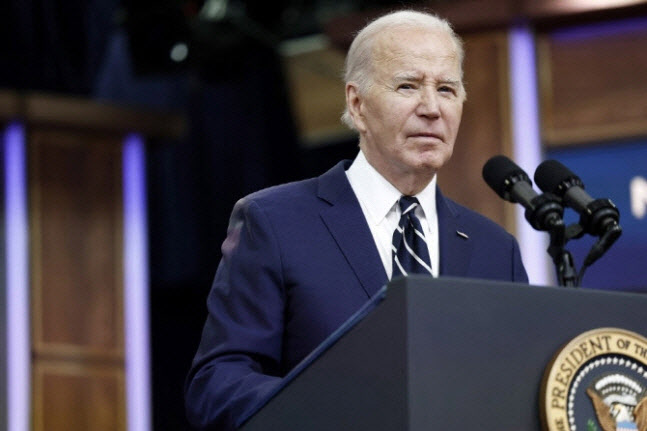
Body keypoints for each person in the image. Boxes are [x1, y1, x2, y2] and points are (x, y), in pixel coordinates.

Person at [185, 10, 528, 430]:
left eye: (446, 89)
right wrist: (331, 410)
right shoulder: (275, 223)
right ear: (357, 104)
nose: (432, 108)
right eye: (408, 86)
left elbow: (517, 388)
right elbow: (217, 384)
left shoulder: (495, 249)